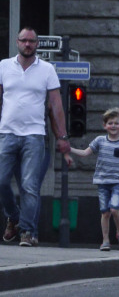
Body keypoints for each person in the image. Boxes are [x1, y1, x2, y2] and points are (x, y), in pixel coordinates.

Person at [0, 26, 73, 247]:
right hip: (7, 133)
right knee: (1, 181)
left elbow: (55, 104)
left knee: (29, 185)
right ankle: (13, 216)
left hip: (34, 135)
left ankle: (28, 232)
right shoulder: (4, 66)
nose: (27, 44)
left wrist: (62, 136)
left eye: (31, 41)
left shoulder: (47, 69)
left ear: (37, 44)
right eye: (24, 40)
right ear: (17, 42)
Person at [69, 107, 119, 251]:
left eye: (116, 123)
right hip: (102, 182)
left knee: (115, 209)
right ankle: (105, 240)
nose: (113, 126)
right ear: (105, 125)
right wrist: (70, 149)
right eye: (110, 123)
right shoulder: (99, 141)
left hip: (118, 182)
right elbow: (85, 153)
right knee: (105, 212)